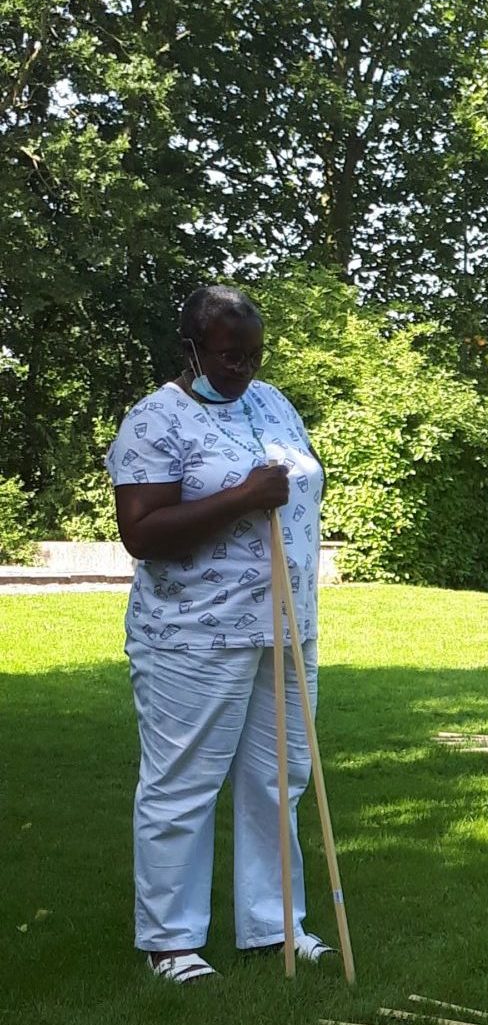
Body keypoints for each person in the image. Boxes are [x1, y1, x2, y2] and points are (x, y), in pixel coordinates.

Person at [107, 284, 333, 984]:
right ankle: (171, 943)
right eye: (230, 355)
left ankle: (275, 925)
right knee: (183, 784)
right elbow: (141, 533)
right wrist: (240, 497)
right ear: (193, 347)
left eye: (253, 355)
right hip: (193, 635)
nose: (242, 368)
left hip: (286, 628)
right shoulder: (154, 420)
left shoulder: (272, 405)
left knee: (282, 779)